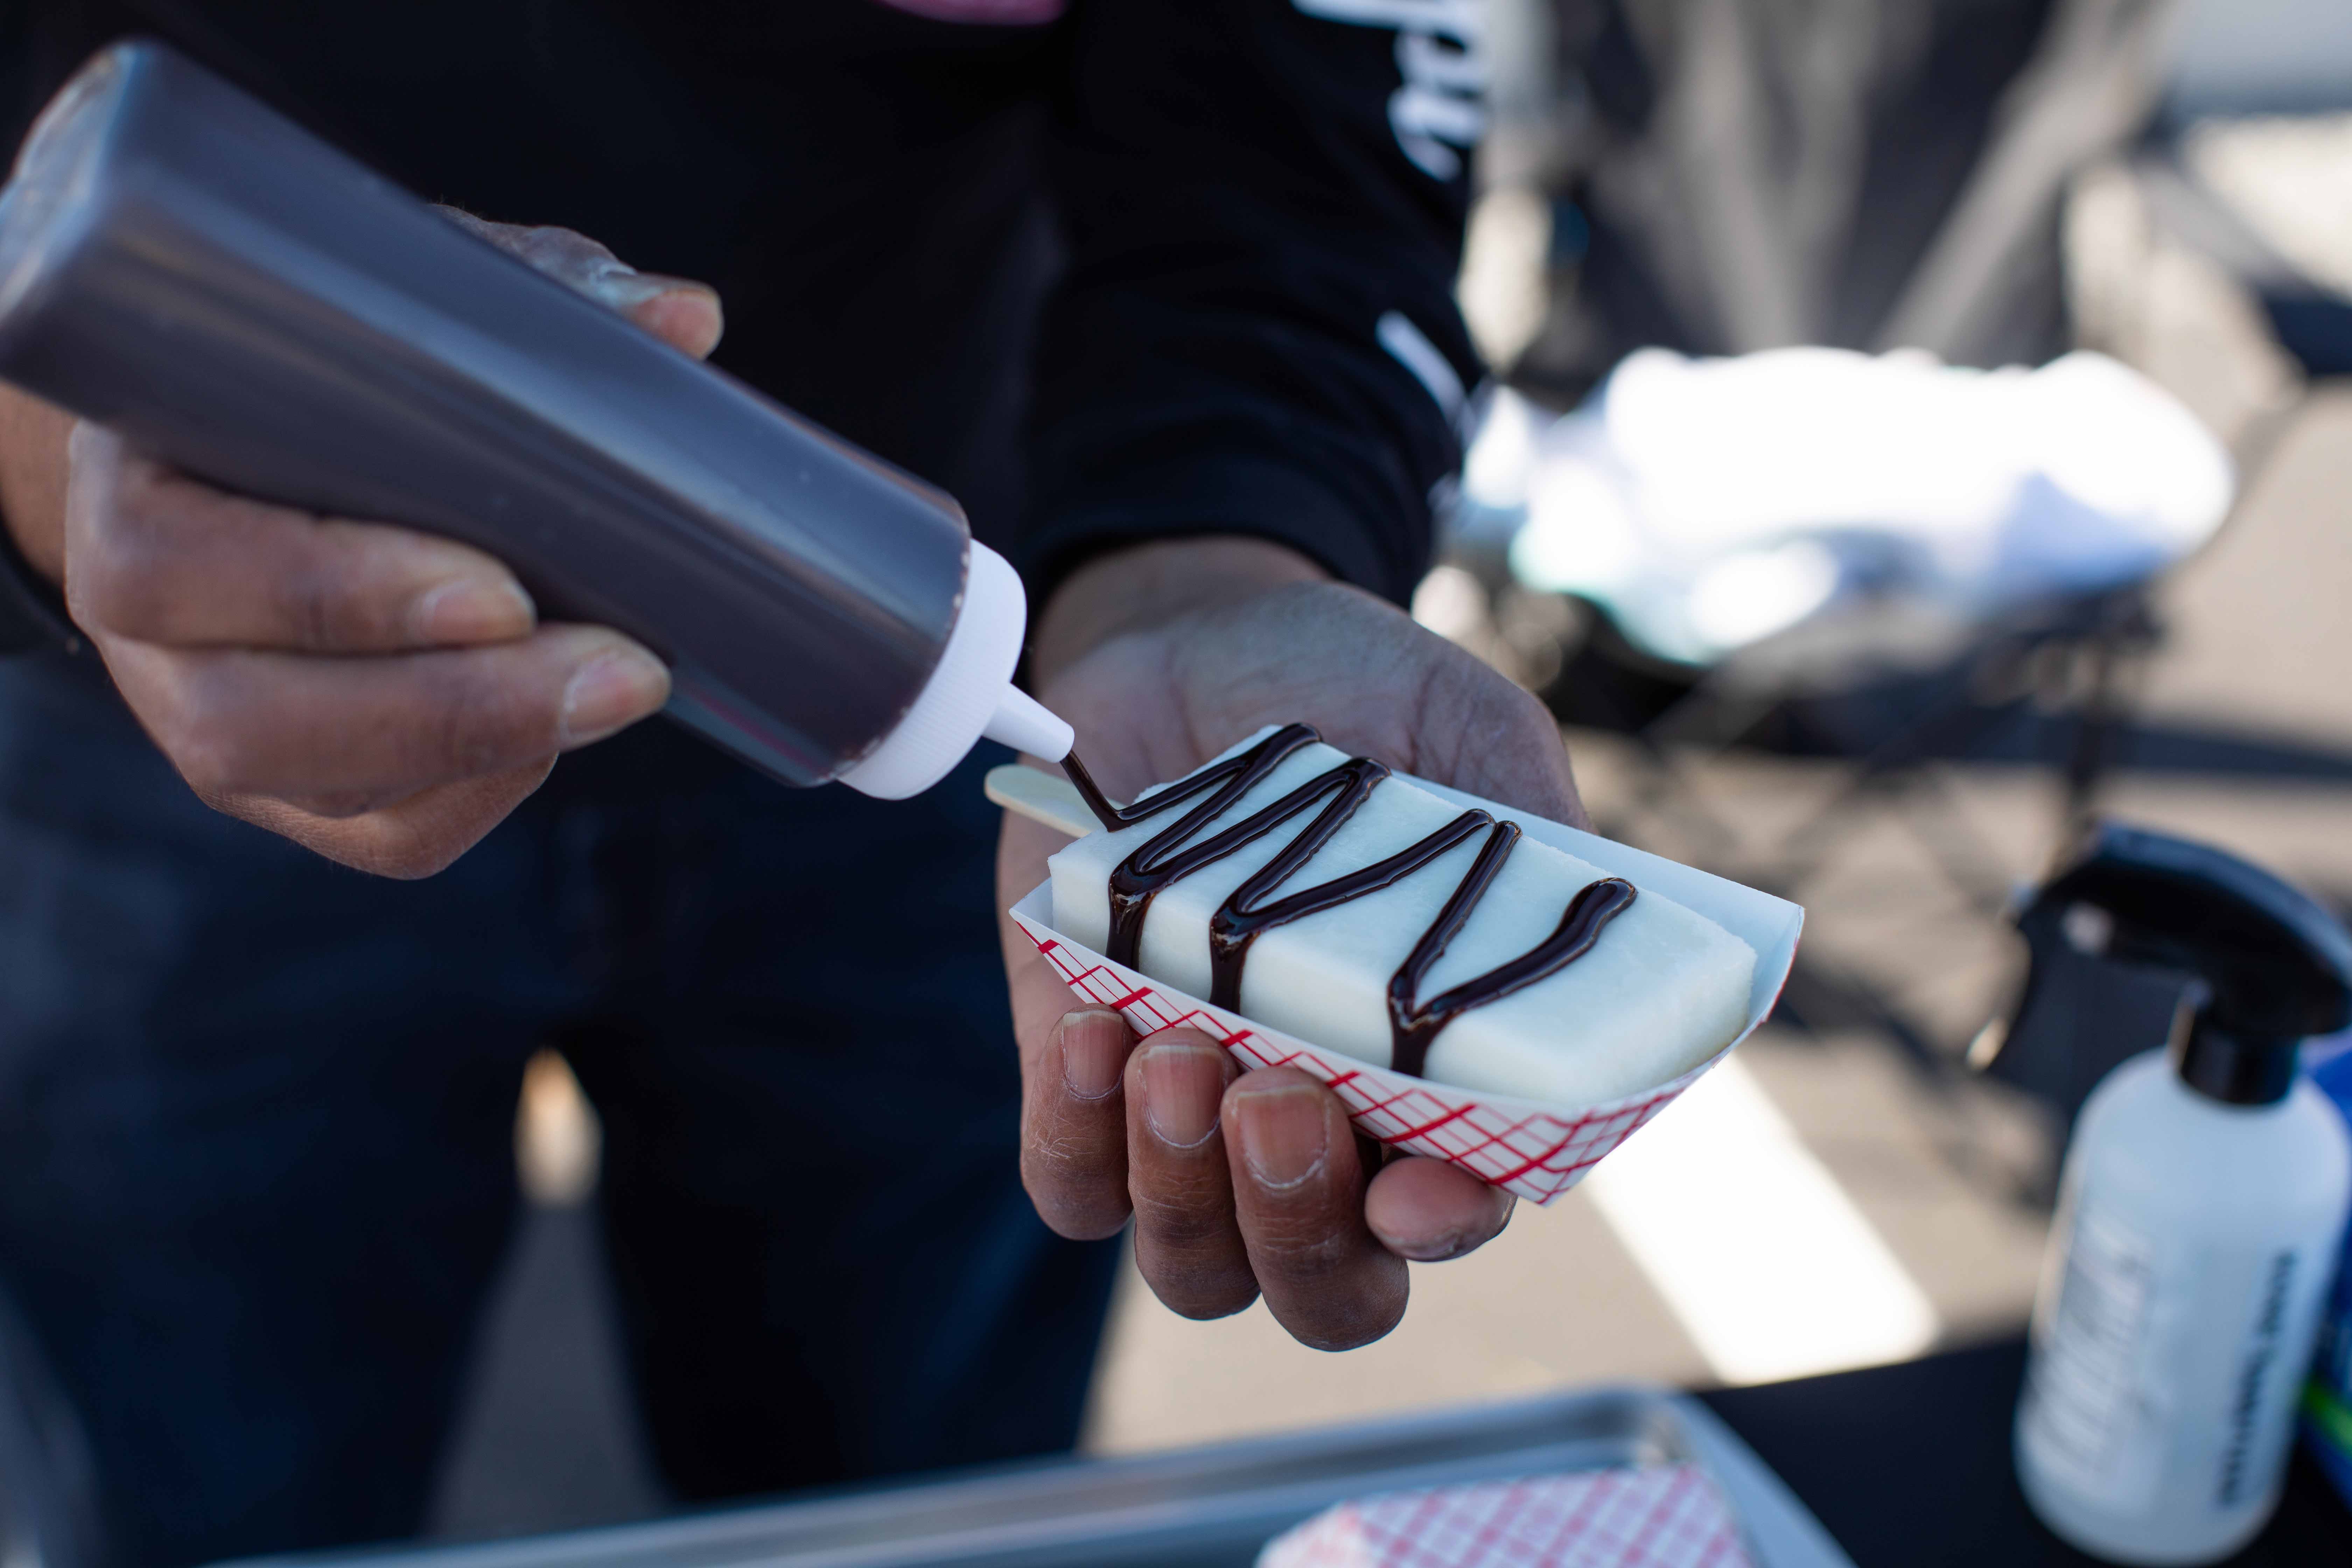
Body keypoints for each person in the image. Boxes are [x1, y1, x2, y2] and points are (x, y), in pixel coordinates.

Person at [0, 3, 1584, 1563]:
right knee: (197, 1501)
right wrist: (56, 483)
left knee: (915, 1515)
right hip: (165, 688)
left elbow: (1306, 102)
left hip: (976, 700)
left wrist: (1223, 547)